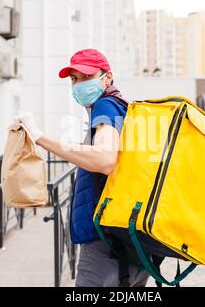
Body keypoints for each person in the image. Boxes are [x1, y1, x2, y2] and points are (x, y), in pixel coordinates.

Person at [14, 49, 149, 287]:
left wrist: (39, 137)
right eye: (74, 79)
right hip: (127, 241)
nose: (78, 84)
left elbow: (104, 160)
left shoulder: (106, 106)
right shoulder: (120, 106)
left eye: (86, 77)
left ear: (107, 77)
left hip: (104, 243)